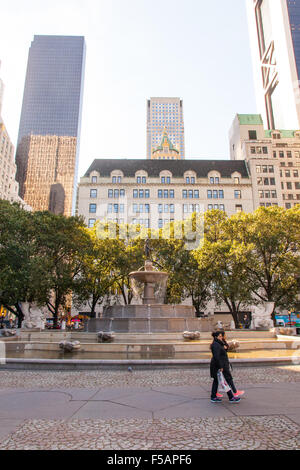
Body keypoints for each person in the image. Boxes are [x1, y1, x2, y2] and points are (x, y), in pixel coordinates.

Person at [210, 331, 241, 403]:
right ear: (216, 337)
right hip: (219, 366)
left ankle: (213, 396)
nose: (221, 337)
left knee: (217, 381)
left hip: (219, 365)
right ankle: (231, 397)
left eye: (222, 336)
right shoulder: (216, 345)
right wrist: (220, 367)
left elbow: (225, 349)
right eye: (220, 336)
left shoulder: (219, 343)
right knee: (224, 382)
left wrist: (223, 342)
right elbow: (216, 357)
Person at [216, 331, 245, 399]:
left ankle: (216, 393)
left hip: (224, 363)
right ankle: (234, 393)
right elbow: (218, 355)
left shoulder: (222, 342)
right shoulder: (218, 344)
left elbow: (226, 348)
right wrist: (220, 366)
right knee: (225, 379)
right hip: (223, 364)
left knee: (222, 379)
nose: (224, 336)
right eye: (222, 336)